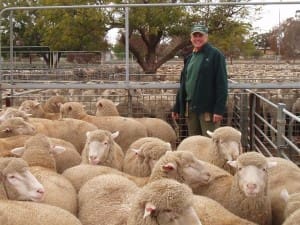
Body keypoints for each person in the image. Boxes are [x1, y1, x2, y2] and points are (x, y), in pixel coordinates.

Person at [172, 24, 228, 137]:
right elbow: (184, 83)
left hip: (208, 109)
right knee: (194, 141)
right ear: (191, 38)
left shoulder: (215, 55)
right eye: (195, 36)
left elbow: (222, 84)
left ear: (206, 37)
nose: (197, 39)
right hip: (191, 107)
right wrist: (177, 106)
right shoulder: (189, 57)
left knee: (209, 141)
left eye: (200, 35)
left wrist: (219, 109)